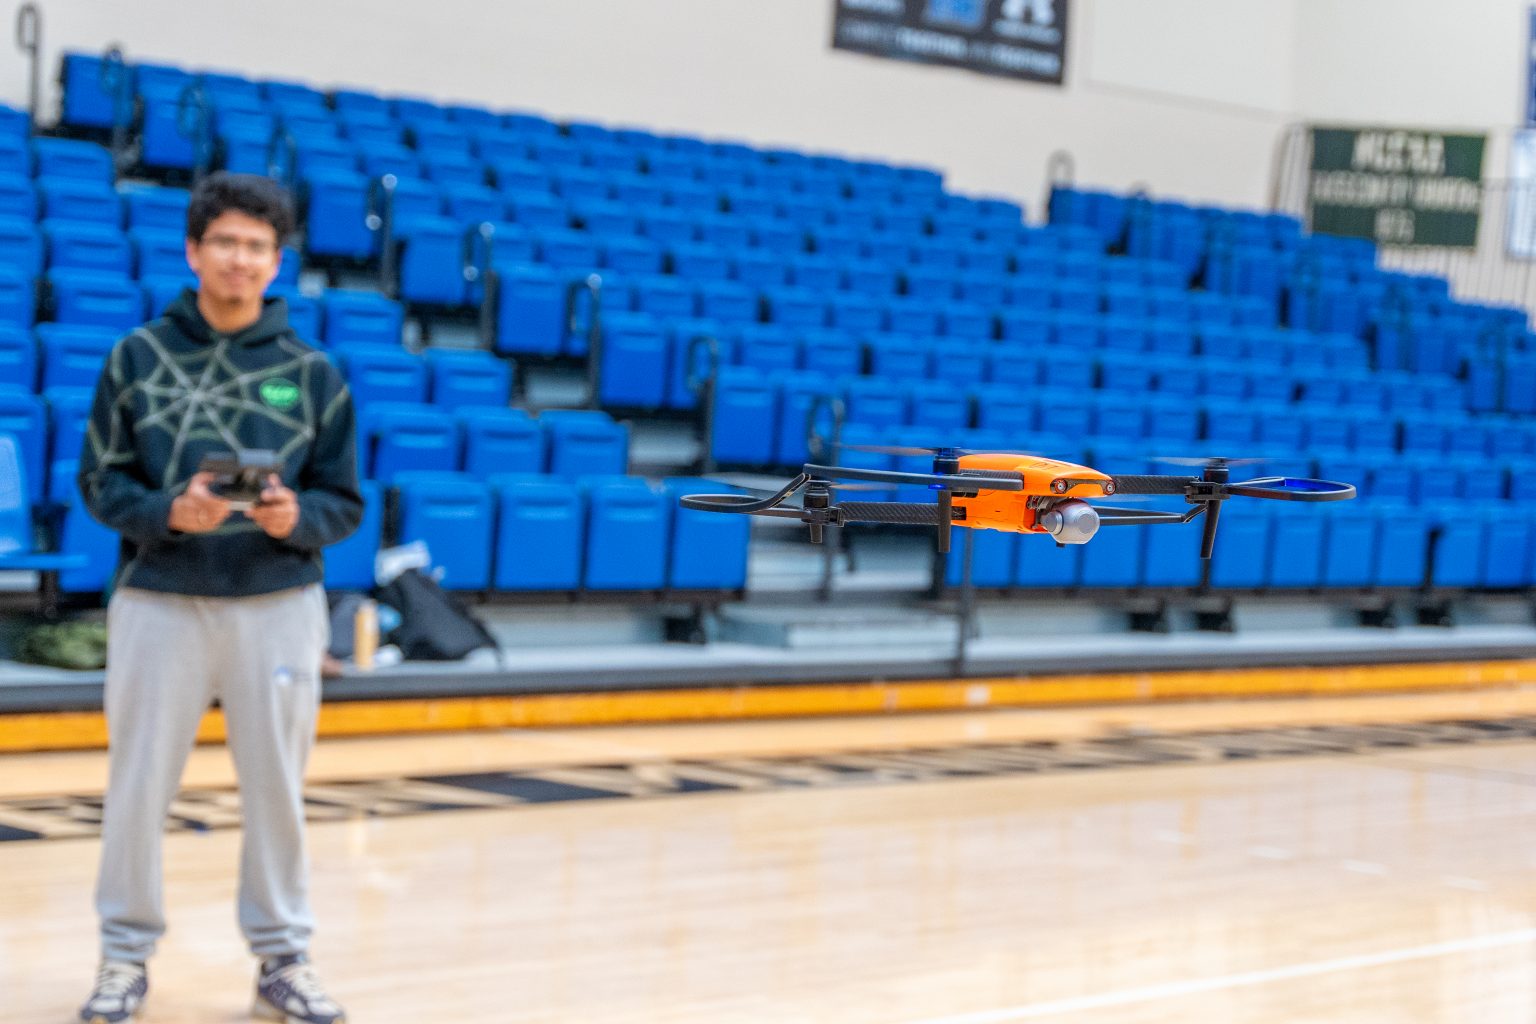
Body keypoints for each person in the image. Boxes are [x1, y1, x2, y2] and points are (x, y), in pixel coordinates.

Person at [75, 173, 362, 1024]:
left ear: (278, 262)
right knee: (137, 785)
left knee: (276, 788)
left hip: (277, 603)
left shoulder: (315, 374)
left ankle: (283, 958)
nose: (241, 258)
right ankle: (123, 957)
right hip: (159, 598)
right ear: (194, 251)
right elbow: (98, 483)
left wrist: (295, 519)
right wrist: (169, 512)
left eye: (257, 246)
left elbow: (345, 502)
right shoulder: (135, 358)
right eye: (226, 242)